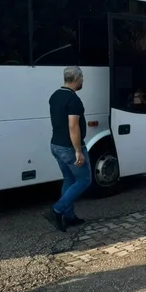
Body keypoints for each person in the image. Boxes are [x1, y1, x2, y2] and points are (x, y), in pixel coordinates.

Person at [46, 66, 92, 232]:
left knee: (69, 179)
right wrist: (78, 151)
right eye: (82, 78)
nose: (82, 81)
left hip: (56, 145)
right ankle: (57, 210)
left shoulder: (55, 96)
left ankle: (69, 216)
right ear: (77, 79)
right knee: (84, 180)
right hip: (68, 148)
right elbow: (73, 127)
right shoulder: (73, 100)